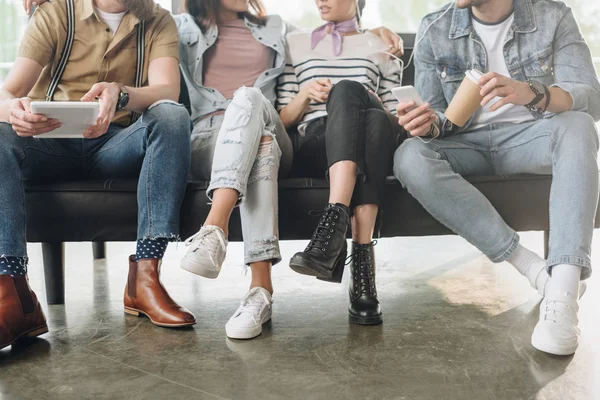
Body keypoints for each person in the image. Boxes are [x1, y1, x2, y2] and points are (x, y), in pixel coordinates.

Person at [175, 0, 403, 339]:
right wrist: (308, 95)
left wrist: (374, 34)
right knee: (261, 101)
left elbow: (393, 107)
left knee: (354, 107)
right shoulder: (184, 30)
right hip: (262, 138)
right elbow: (281, 112)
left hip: (335, 134)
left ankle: (332, 223)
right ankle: (349, 272)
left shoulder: (281, 30)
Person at [393, 0, 600, 355]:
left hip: (532, 140)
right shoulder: (435, 27)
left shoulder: (553, 16)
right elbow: (438, 120)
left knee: (578, 125)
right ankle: (534, 270)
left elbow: (591, 99)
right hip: (467, 145)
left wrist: (534, 93)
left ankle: (564, 298)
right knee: (410, 155)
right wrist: (427, 124)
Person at [1, 0, 195, 350]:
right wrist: (13, 110)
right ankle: (14, 294)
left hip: (115, 145)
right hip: (49, 145)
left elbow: (168, 90)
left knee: (172, 115)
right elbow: (9, 90)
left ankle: (145, 280)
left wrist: (121, 95)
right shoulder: (57, 13)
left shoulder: (158, 21)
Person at [277, 0, 405, 325]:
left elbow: (397, 117)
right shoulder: (295, 42)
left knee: (373, 119)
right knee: (355, 101)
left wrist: (369, 100)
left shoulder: (383, 44)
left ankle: (329, 238)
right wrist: (305, 94)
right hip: (315, 140)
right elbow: (282, 120)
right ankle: (363, 276)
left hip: (375, 136)